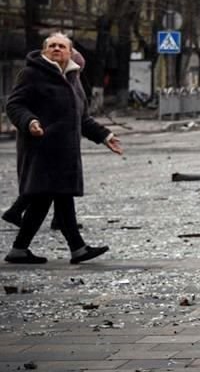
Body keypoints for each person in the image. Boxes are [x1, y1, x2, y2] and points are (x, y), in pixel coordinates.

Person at [4, 32, 123, 265]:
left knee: (48, 198)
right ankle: (76, 248)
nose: (57, 49)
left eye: (61, 46)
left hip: (65, 153)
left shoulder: (73, 78)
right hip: (41, 150)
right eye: (52, 46)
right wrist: (29, 122)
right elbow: (14, 104)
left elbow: (83, 118)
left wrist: (105, 136)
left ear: (70, 52)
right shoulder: (32, 73)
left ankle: (21, 249)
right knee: (54, 196)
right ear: (44, 50)